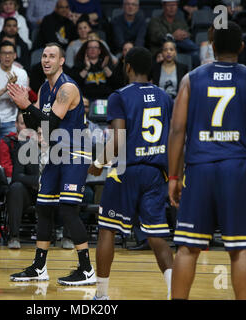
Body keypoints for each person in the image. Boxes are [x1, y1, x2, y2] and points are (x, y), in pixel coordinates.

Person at [168, 21, 246, 300]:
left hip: (200, 168)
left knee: (187, 247)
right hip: (236, 169)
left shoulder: (191, 78)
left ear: (212, 47)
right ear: (242, 47)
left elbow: (177, 130)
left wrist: (173, 177)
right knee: (240, 249)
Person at [88, 46, 175, 300]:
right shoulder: (164, 96)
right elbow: (171, 137)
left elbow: (117, 138)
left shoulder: (120, 95)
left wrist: (98, 163)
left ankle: (102, 296)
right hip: (155, 172)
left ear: (127, 66)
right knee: (157, 235)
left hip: (125, 170)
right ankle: (174, 293)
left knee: (107, 229)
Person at [7, 42, 96, 286]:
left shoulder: (67, 88)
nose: (46, 60)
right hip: (56, 152)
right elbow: (35, 124)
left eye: (52, 56)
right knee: (43, 208)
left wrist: (26, 105)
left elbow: (51, 124)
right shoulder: (45, 89)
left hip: (75, 151)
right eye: (44, 56)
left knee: (67, 210)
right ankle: (39, 266)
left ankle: (87, 269)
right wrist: (22, 105)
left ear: (61, 61)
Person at [0, 41, 29, 137]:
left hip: (11, 121)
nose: (7, 56)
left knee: (9, 151)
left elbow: (23, 103)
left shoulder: (21, 73)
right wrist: (5, 88)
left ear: (15, 55)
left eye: (10, 53)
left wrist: (13, 88)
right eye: (4, 53)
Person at [147, 0, 199, 67]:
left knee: (195, 54)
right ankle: (198, 48)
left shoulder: (180, 21)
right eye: (169, 5)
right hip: (161, 50)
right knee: (175, 44)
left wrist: (185, 35)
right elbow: (155, 37)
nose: (172, 8)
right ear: (163, 6)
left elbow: (188, 33)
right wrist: (172, 36)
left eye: (174, 5)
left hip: (181, 49)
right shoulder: (155, 21)